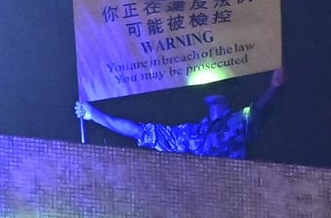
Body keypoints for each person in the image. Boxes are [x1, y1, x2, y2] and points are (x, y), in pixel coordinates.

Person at [74, 68, 284, 159]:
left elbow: (258, 109)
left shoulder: (240, 122)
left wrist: (274, 87)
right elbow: (140, 132)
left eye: (221, 82)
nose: (213, 87)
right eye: (210, 83)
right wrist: (94, 115)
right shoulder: (189, 134)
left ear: (232, 89)